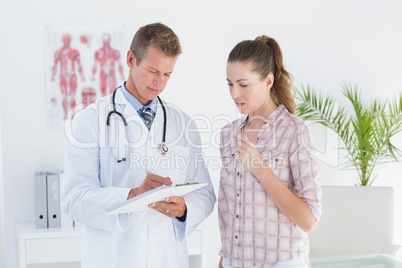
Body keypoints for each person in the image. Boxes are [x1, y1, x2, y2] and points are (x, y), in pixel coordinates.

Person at [62, 23, 216, 268]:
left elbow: (205, 194)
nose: (160, 82)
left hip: (168, 259)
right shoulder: (89, 120)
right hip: (115, 258)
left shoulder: (182, 123)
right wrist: (131, 195)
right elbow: (73, 199)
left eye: (167, 74)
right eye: (153, 71)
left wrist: (185, 208)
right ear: (131, 59)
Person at [218, 36, 322, 268]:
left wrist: (261, 169)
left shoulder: (295, 132)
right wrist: (224, 260)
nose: (235, 94)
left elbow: (309, 220)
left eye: (243, 85)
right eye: (230, 84)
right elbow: (228, 210)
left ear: (268, 81)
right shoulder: (228, 135)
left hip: (281, 262)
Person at [51, 34, 85, 119]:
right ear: (63, 40)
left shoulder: (74, 51)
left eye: (68, 40)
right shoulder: (58, 52)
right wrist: (53, 75)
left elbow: (79, 64)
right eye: (65, 40)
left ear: (70, 40)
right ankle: (65, 113)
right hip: (63, 75)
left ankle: (72, 113)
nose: (66, 42)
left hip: (72, 75)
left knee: (72, 95)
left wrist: (81, 76)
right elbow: (55, 65)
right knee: (64, 96)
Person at [91, 33, 125, 97]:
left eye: (107, 40)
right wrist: (93, 75)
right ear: (102, 40)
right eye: (104, 40)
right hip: (103, 72)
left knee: (112, 90)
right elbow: (95, 65)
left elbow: (119, 64)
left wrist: (121, 75)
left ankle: (112, 104)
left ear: (110, 40)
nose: (106, 42)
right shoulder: (98, 52)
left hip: (111, 72)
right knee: (103, 90)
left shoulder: (115, 52)